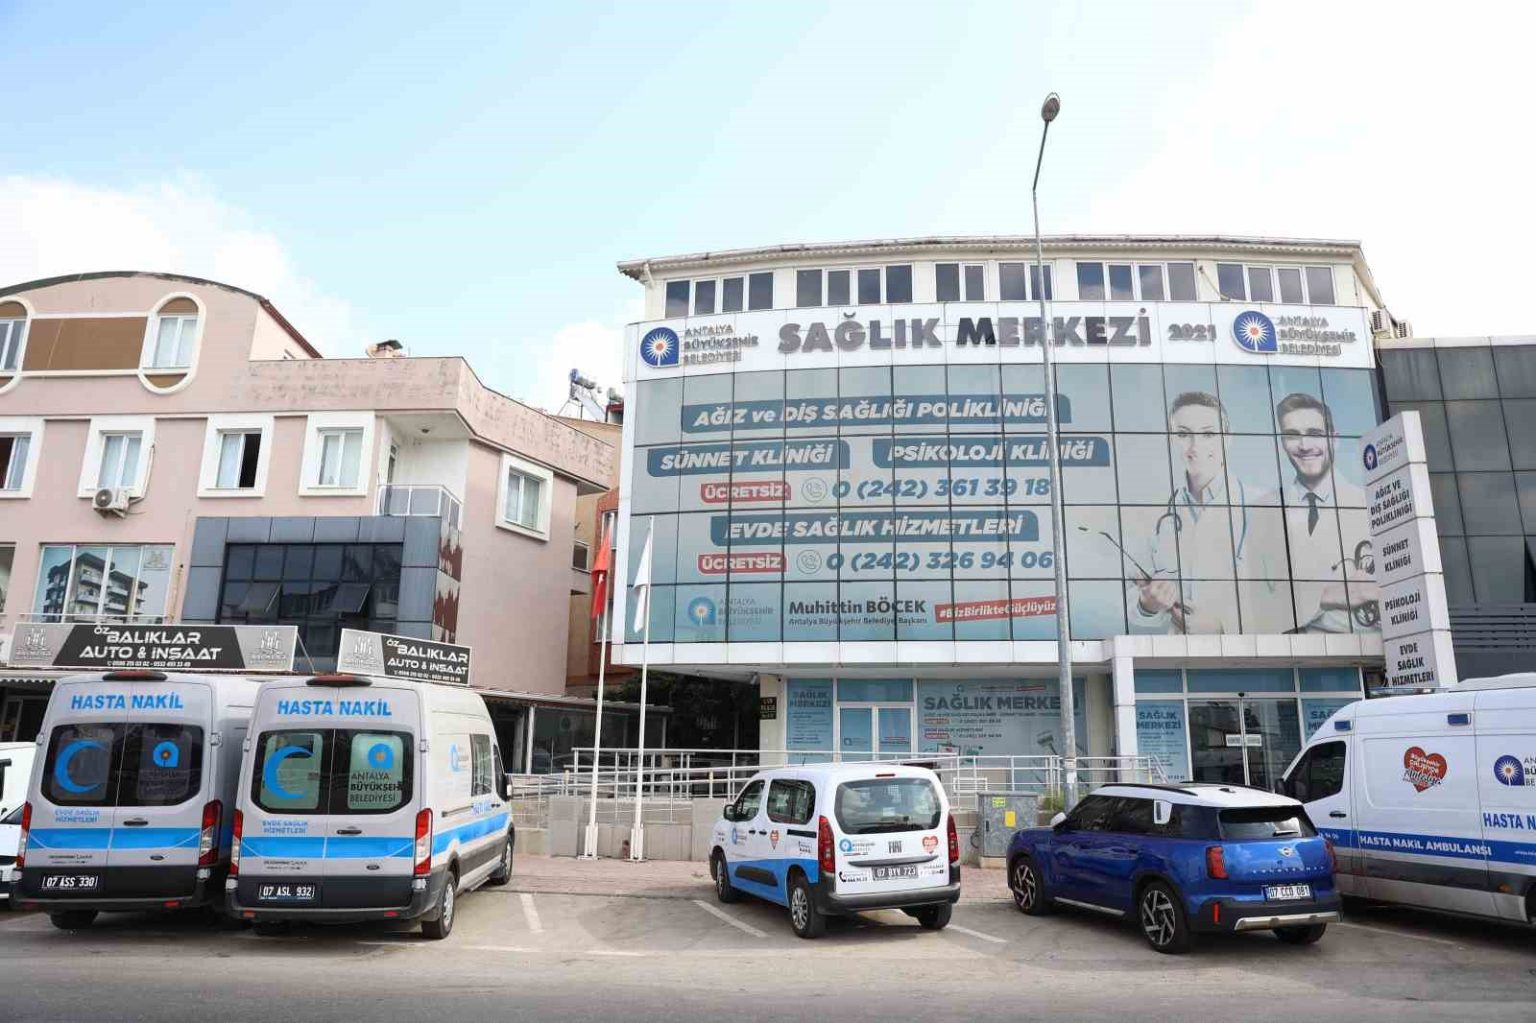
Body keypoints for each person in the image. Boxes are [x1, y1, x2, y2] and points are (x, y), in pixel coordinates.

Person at [1131, 392, 1279, 634]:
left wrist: (1223, 627)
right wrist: (1147, 605)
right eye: (1183, 434)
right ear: (1171, 440)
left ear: (1227, 438)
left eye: (1208, 434)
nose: (1195, 447)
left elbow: (1289, 599)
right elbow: (1132, 601)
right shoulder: (1155, 515)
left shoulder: (1264, 506)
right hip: (1179, 652)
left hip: (1246, 651)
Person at [1272, 392, 1378, 633]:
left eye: (1315, 434)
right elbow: (1259, 603)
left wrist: (1300, 605)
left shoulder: (1369, 506)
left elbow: (1387, 607)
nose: (1305, 446)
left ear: (1334, 440)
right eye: (1292, 435)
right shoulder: (1264, 512)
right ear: (1282, 443)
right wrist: (1331, 595)